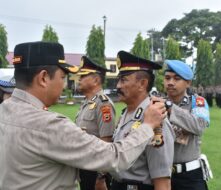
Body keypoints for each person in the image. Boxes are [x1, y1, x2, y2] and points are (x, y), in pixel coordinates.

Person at [0, 41, 167, 190]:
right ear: (44, 78)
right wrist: (147, 126)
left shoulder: (4, 110)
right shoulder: (48, 126)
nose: (65, 84)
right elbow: (114, 156)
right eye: (63, 77)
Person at [110, 51, 174, 190]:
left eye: (124, 80)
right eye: (119, 80)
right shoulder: (126, 113)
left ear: (142, 84)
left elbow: (162, 180)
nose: (118, 86)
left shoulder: (156, 120)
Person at [163, 60, 211, 190]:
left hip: (189, 176)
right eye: (167, 78)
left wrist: (171, 108)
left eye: (176, 79)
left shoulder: (197, 102)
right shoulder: (157, 104)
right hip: (162, 174)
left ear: (188, 83)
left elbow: (199, 126)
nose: (170, 82)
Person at [75, 56, 116, 190]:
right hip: (84, 166)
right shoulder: (87, 103)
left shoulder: (103, 104)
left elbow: (107, 142)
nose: (79, 79)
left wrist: (101, 176)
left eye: (83, 76)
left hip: (96, 170)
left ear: (96, 80)